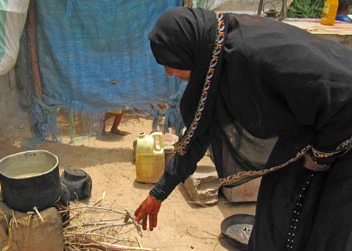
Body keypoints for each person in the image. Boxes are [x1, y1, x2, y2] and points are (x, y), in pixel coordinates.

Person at [134, 7, 352, 251]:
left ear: (190, 50)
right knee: (274, 218)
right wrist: (158, 193)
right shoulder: (216, 60)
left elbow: (340, 91)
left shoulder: (251, 55)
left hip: (341, 133)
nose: (170, 73)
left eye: (171, 65)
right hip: (304, 136)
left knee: (325, 227)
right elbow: (198, 135)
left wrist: (320, 156)